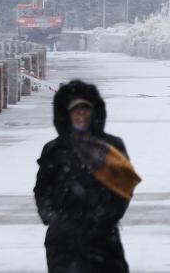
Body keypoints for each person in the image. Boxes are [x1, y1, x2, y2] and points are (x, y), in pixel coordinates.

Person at [34, 80, 141, 272]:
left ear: (94, 113)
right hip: (63, 239)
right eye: (76, 111)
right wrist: (53, 218)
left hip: (103, 237)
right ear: (67, 115)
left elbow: (124, 186)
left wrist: (107, 217)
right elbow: (42, 188)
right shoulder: (54, 149)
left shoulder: (111, 147)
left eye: (85, 110)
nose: (81, 116)